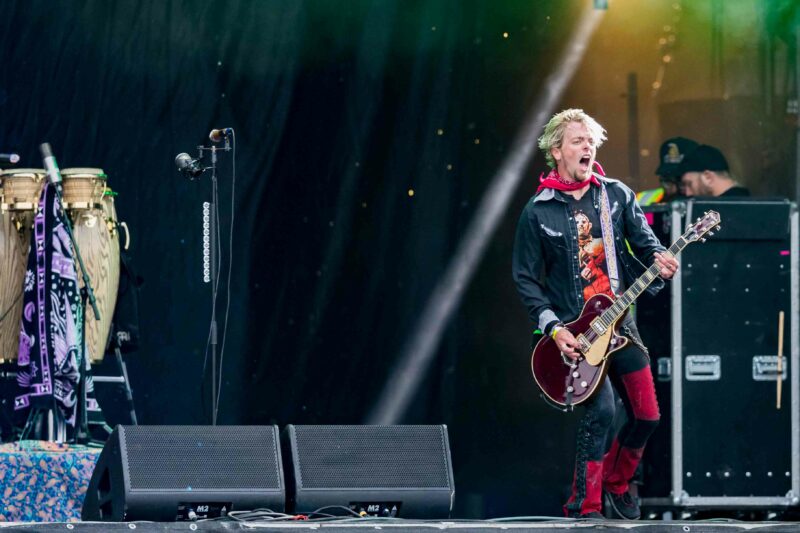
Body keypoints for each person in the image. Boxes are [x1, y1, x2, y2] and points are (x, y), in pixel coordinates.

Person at [512, 109, 679, 519]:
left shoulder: (616, 195)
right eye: (578, 141)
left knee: (647, 415)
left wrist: (660, 258)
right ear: (557, 151)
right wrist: (554, 330)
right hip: (575, 331)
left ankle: (617, 484)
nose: (587, 147)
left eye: (591, 141)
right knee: (602, 411)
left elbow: (647, 244)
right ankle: (583, 506)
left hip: (620, 323)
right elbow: (526, 279)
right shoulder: (537, 211)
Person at [636, 136, 698, 205]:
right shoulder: (642, 200)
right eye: (667, 181)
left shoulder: (707, 204)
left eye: (683, 182)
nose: (674, 189)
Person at [678, 144, 750, 197]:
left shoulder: (720, 209)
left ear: (708, 178)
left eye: (689, 184)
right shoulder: (744, 202)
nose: (688, 193)